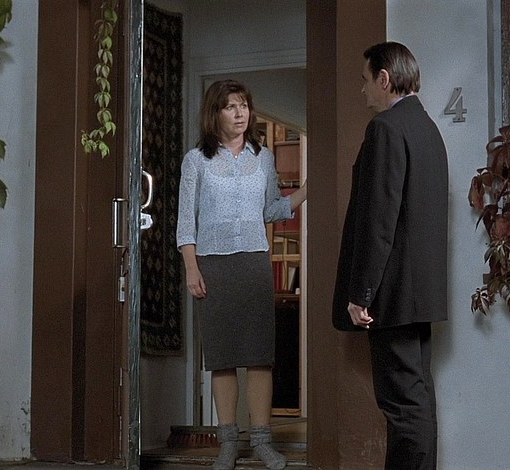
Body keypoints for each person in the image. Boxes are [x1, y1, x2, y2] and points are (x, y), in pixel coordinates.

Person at [177, 79, 307, 470]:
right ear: (214, 113)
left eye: (244, 106)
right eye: (231, 107)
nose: (240, 113)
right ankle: (228, 444)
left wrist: (306, 189)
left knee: (259, 357)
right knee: (222, 357)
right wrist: (191, 268)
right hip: (213, 264)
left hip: (253, 263)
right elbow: (186, 222)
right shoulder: (195, 161)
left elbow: (272, 209)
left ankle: (263, 443)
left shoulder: (263, 158)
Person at [332, 42, 448, 470]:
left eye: (366, 81)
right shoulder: (427, 128)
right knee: (417, 401)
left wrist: (361, 292)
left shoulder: (385, 128)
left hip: (394, 293)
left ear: (384, 78)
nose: (363, 90)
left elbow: (379, 218)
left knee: (403, 407)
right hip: (419, 293)